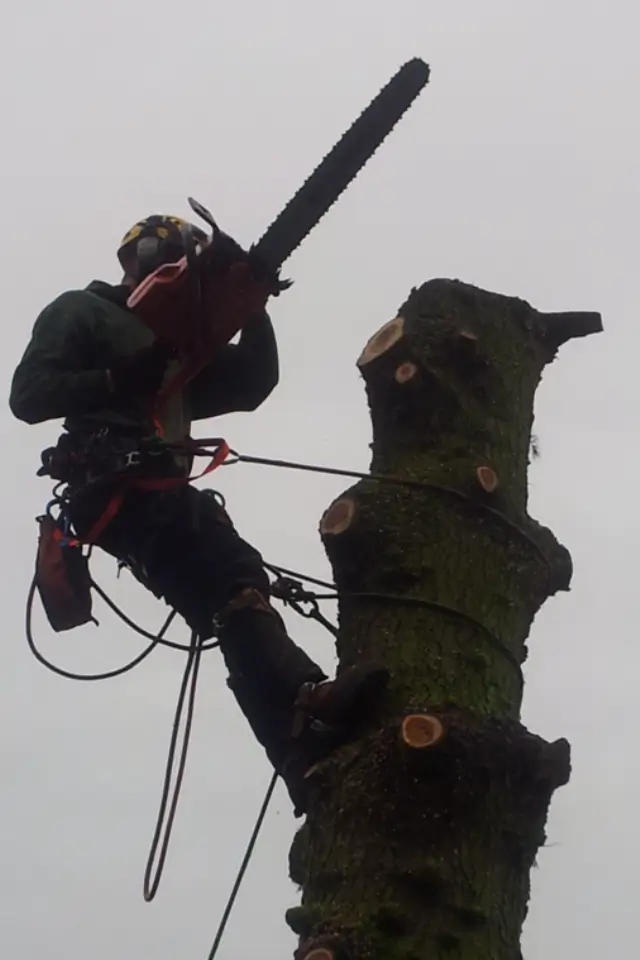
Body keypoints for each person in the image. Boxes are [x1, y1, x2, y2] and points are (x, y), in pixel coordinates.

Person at [9, 214, 388, 813]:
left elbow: (253, 383)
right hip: (115, 481)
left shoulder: (177, 350)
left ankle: (302, 752)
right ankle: (307, 704)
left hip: (154, 486)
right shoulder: (85, 311)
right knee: (229, 574)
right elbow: (27, 396)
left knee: (232, 590)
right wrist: (113, 377)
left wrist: (251, 306)